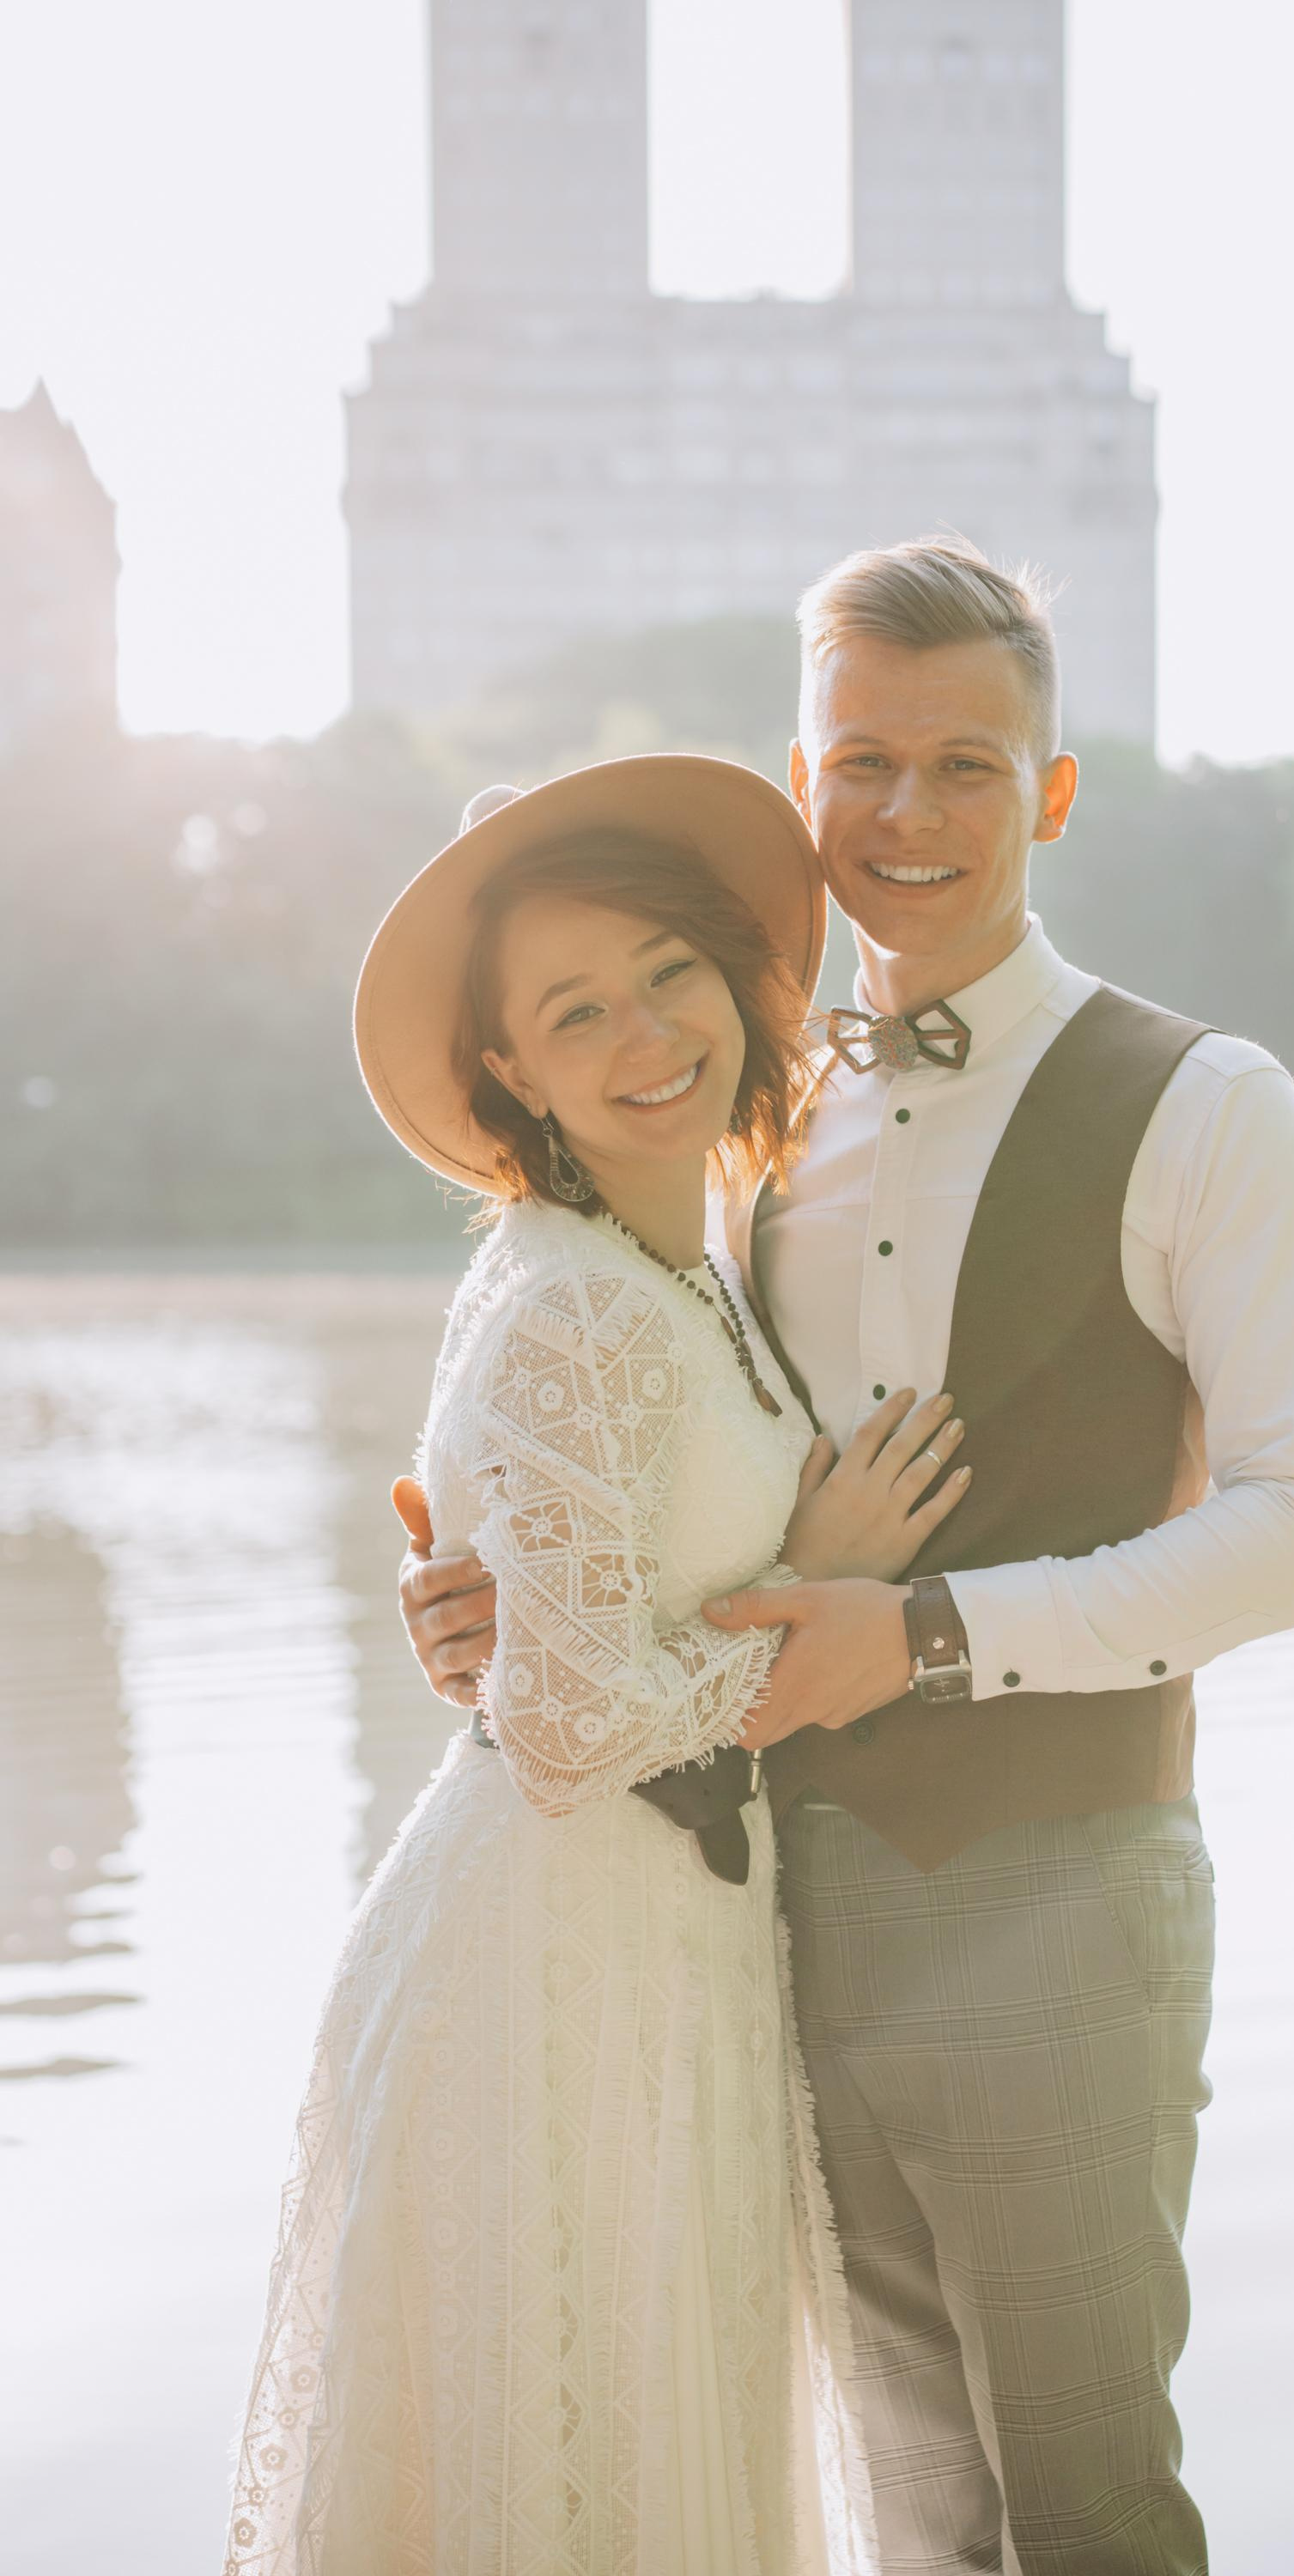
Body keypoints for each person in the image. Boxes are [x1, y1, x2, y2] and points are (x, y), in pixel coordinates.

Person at [400, 540, 1294, 2574]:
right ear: (804, 777)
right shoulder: (743, 1120)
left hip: (1057, 1902)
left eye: (966, 764)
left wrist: (924, 1637)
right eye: (865, 762)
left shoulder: (1207, 1103)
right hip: (746, 1930)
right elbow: (651, 1457)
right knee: (910, 2518)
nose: (911, 817)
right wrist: (505, 1602)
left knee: (1088, 2508)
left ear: (1052, 790)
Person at [227, 756, 980, 2574]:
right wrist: (821, 1590)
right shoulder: (573, 1296)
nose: (647, 1035)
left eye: (668, 973)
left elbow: (556, 1603)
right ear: (514, 1075)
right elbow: (565, 1731)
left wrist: (533, 1631)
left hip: (650, 1951)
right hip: (551, 1967)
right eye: (578, 1011)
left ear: (735, 978)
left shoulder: (680, 1257)